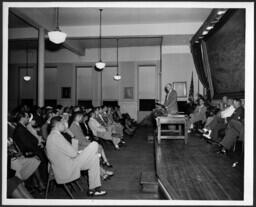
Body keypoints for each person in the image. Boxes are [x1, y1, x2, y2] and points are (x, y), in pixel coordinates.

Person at [46, 116, 107, 196]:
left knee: (94, 159)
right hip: (66, 168)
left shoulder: (54, 135)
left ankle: (93, 189)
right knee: (95, 144)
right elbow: (73, 153)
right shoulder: (55, 137)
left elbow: (71, 151)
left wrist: (72, 137)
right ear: (58, 124)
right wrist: (78, 150)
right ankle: (96, 185)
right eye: (63, 123)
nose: (65, 125)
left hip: (69, 163)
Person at [13, 112, 48, 183]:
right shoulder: (20, 128)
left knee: (45, 153)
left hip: (32, 149)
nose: (28, 119)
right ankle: (42, 182)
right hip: (28, 152)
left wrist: (38, 144)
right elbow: (26, 144)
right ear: (22, 118)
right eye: (27, 117)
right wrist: (37, 146)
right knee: (44, 157)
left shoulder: (22, 126)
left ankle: (42, 181)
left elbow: (29, 141)